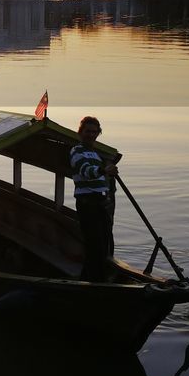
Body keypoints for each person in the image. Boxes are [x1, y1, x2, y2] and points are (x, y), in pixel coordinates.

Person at [70, 116, 117, 281]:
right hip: (87, 203)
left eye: (94, 132)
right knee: (94, 243)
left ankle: (94, 276)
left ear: (98, 133)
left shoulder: (97, 154)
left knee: (104, 243)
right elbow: (86, 170)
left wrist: (107, 171)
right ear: (81, 133)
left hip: (101, 203)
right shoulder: (77, 151)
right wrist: (104, 171)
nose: (90, 135)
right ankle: (95, 280)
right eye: (87, 131)